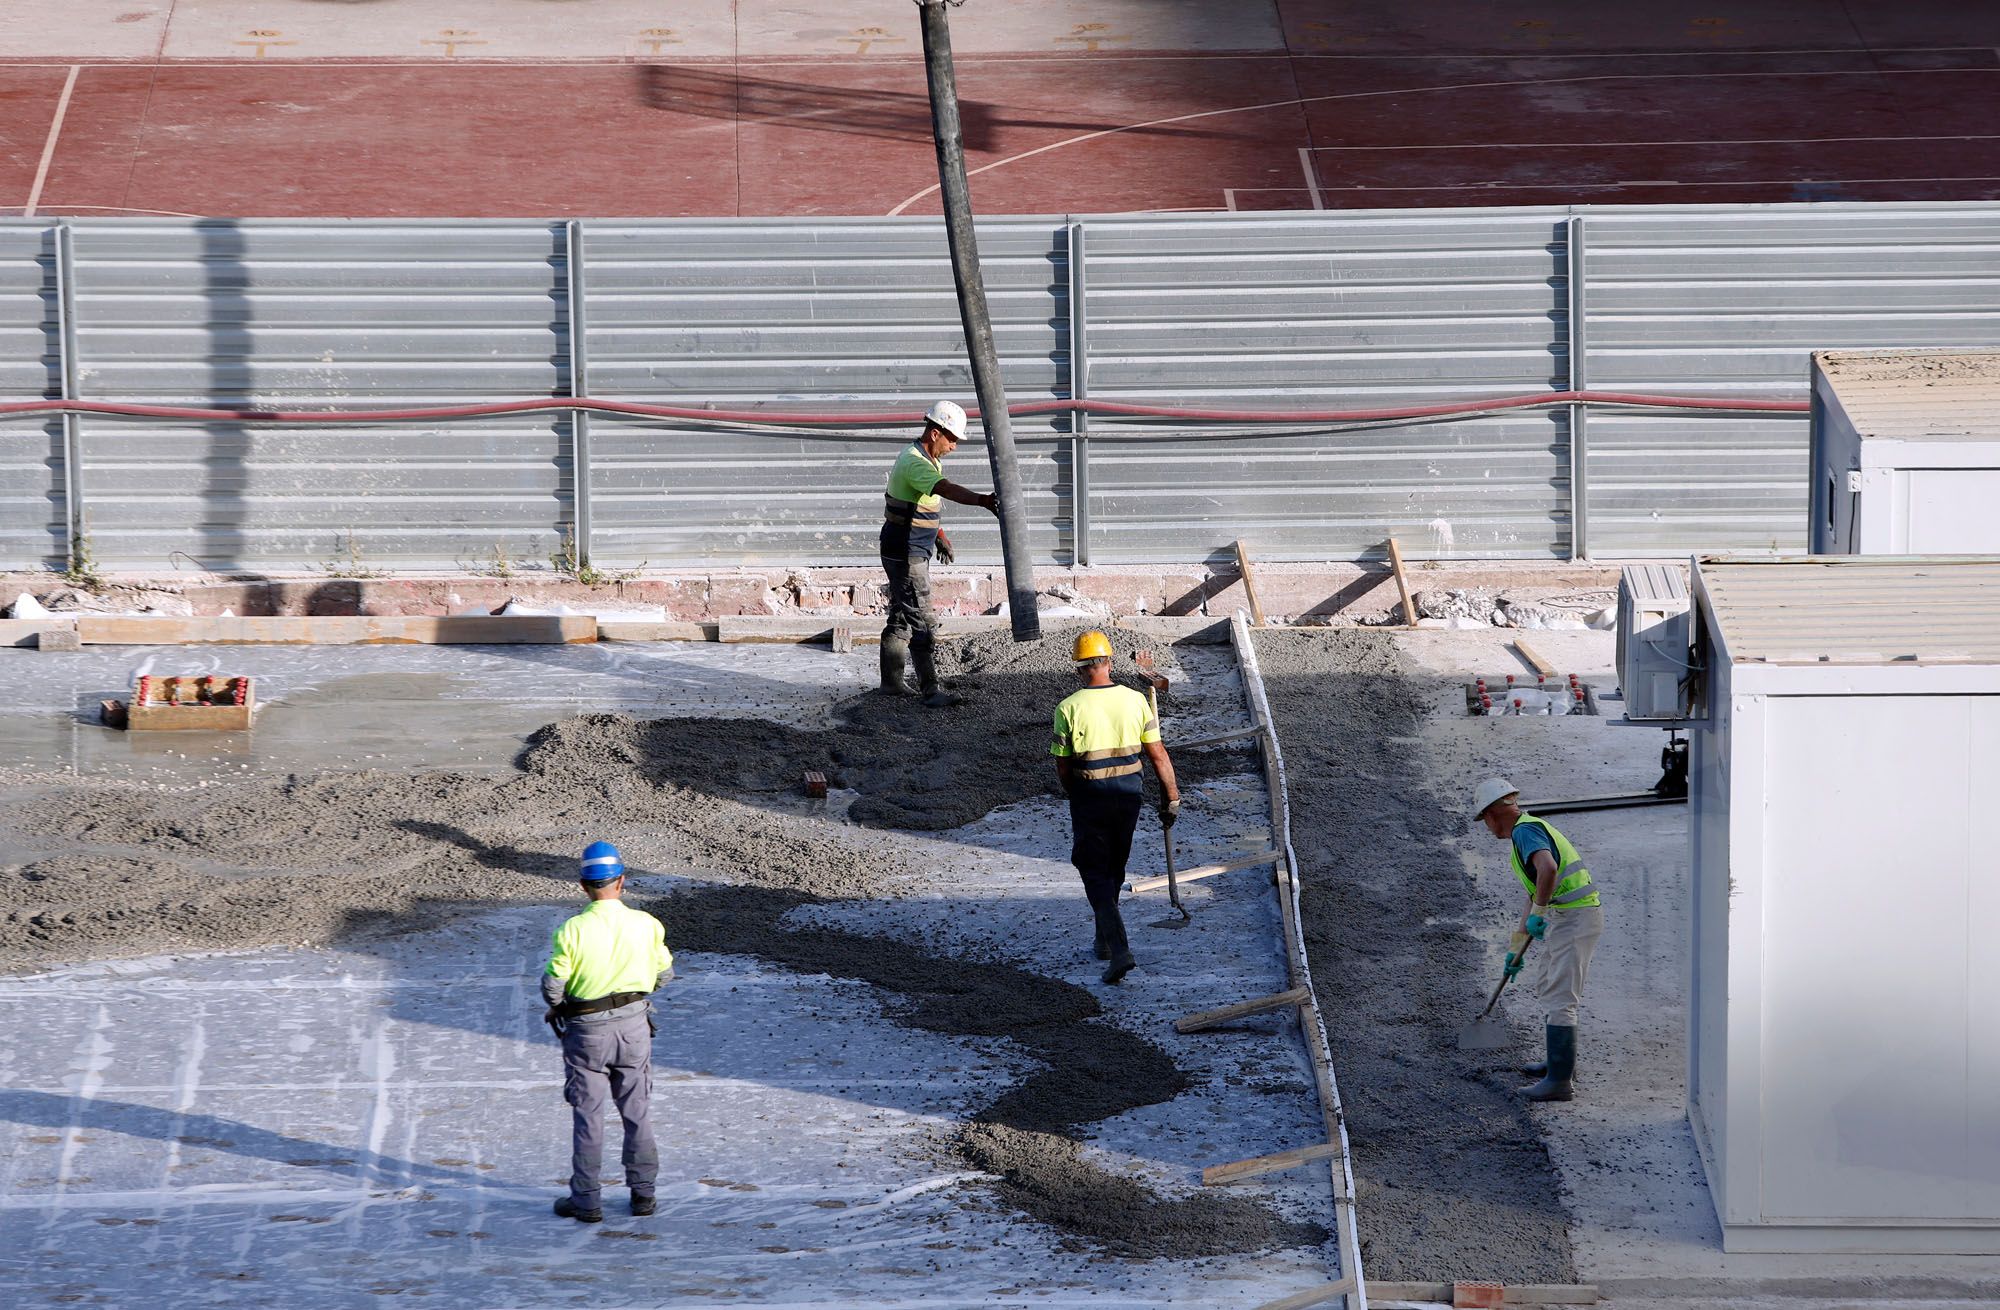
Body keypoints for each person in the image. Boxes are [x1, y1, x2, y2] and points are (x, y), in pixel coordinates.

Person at [541, 840, 674, 1221]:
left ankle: (586, 1200)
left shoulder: (573, 930)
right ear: (622, 882)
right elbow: (664, 976)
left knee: (588, 1115)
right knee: (637, 1113)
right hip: (634, 1029)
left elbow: (553, 986)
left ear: (584, 886)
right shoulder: (646, 924)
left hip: (586, 1034)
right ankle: (643, 1195)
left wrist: (561, 1006)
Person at [1051, 631, 1181, 984]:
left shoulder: (1069, 707)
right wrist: (1171, 798)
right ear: (1109, 662)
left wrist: (1075, 793)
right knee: (1115, 866)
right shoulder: (1136, 700)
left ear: (1080, 668)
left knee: (1093, 869)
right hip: (1128, 796)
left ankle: (1120, 949)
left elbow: (1063, 766)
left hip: (1090, 796)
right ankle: (1103, 940)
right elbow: (1158, 755)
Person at [1471, 779, 1604, 1102]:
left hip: (1576, 918)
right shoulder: (1526, 833)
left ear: (1491, 814)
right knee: (1549, 984)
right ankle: (1558, 1063)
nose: (1487, 829)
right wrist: (1516, 950)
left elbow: (1548, 869)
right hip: (1568, 917)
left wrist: (1540, 912)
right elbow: (1533, 897)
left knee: (1560, 995)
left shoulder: (1524, 832)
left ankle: (1560, 1081)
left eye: (1484, 821)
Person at [879, 399, 998, 707]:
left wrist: (940, 535)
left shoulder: (925, 458)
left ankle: (891, 684)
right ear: (935, 433)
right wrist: (984, 501)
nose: (955, 446)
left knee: (903, 614)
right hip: (907, 552)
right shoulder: (915, 463)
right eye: (952, 439)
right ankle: (930, 690)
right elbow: (945, 489)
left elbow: (923, 502)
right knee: (921, 619)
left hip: (907, 547)